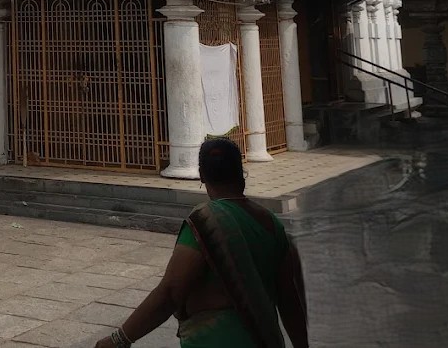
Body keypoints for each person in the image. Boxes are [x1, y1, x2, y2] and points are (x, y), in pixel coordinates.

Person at [94, 138, 308, 348]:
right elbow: (290, 301)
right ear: (241, 173)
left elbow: (170, 292)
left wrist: (119, 339)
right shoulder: (271, 224)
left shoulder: (206, 221)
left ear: (202, 176)